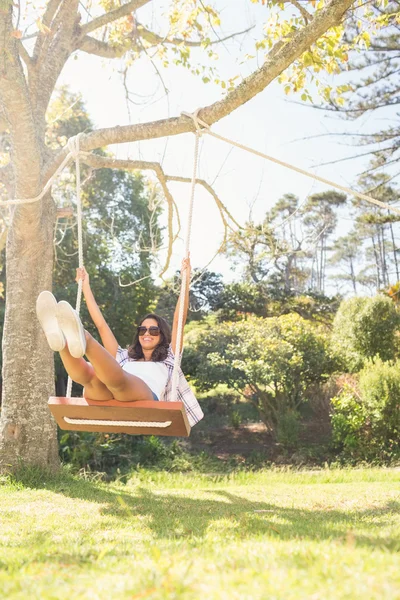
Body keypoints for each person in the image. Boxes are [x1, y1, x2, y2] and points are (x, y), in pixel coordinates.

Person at [36, 257, 203, 427]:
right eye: (142, 329)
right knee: (90, 377)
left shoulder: (169, 357)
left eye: (153, 330)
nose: (147, 333)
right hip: (109, 394)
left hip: (143, 395)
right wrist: (85, 287)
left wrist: (185, 281)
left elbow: (178, 322)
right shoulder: (124, 356)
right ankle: (61, 341)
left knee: (119, 381)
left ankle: (83, 336)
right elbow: (101, 325)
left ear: (162, 335)